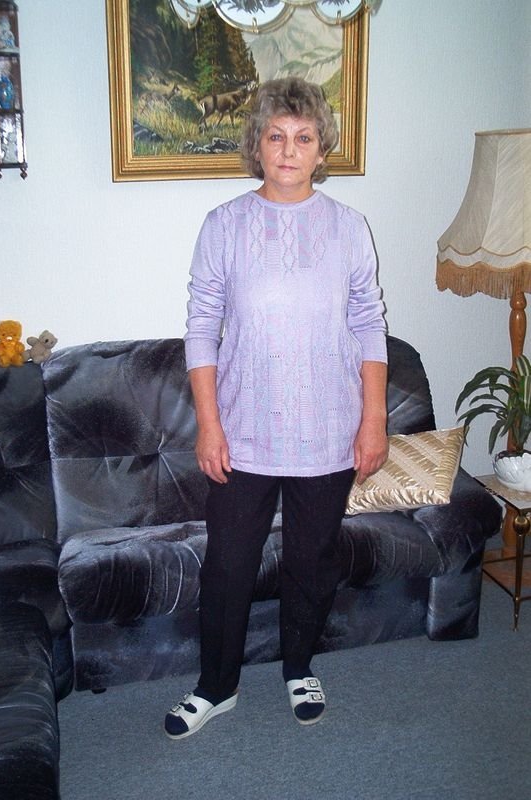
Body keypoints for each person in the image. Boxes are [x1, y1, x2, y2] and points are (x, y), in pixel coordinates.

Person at [165, 77, 388, 740]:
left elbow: (368, 325)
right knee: (228, 564)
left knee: (312, 561)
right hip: (243, 431)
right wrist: (209, 425)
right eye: (276, 136)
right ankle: (216, 685)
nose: (289, 150)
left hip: (329, 428)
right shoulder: (224, 225)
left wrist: (373, 419)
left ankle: (298, 667)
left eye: (304, 137)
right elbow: (201, 327)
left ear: (322, 149)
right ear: (256, 145)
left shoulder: (349, 228)